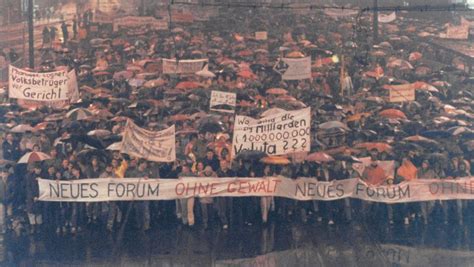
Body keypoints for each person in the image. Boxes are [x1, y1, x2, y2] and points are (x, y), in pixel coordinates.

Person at [26, 164, 43, 234]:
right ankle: (33, 228)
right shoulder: (29, 176)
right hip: (31, 197)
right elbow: (28, 188)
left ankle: (39, 228)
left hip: (40, 197)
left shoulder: (43, 176)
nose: (38, 170)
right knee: (31, 212)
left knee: (39, 213)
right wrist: (33, 196)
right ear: (34, 169)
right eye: (37, 168)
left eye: (39, 169)